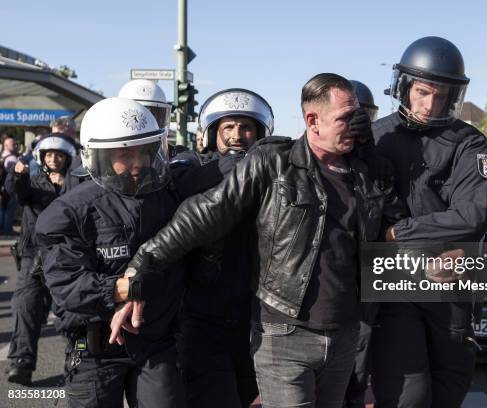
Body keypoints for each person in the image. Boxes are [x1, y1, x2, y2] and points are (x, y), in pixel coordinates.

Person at [111, 73, 404, 408]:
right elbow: (202, 216)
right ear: (313, 121)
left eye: (358, 118)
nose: (354, 127)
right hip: (284, 336)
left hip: (344, 335)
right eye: (344, 118)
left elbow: (394, 233)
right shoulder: (273, 163)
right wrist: (142, 265)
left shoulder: (365, 173)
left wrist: (372, 162)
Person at [35, 97, 223, 407]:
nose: (138, 163)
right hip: (93, 348)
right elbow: (68, 286)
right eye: (125, 154)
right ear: (99, 157)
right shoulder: (70, 212)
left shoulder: (168, 198)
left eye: (144, 152)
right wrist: (126, 288)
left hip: (156, 344)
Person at [371, 36, 487, 408]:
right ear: (404, 87)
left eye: (441, 96)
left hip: (451, 284)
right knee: (409, 392)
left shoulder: (470, 144)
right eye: (423, 93)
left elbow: (470, 217)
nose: (430, 104)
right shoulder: (377, 137)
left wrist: (398, 233)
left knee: (449, 387)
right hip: (395, 282)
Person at [171, 88, 274, 407]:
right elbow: (182, 188)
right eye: (228, 127)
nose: (237, 135)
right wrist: (239, 167)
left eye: (245, 128)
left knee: (245, 394)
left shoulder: (274, 172)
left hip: (254, 314)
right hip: (202, 313)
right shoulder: (190, 171)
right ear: (213, 132)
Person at [5, 133, 78, 385]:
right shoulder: (32, 182)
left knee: (74, 313)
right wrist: (18, 174)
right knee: (25, 307)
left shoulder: (76, 184)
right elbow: (16, 192)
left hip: (67, 258)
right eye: (49, 155)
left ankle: (78, 363)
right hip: (33, 257)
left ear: (67, 158)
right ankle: (21, 363)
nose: (54, 159)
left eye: (59, 155)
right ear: (42, 157)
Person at [343, 79, 379, 408]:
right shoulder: (317, 162)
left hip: (368, 288)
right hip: (327, 295)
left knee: (356, 379)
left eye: (365, 117)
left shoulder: (377, 164)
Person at [1, 134, 20, 234]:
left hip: (4, 187)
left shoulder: (3, 156)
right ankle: (7, 230)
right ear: (6, 146)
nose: (15, 145)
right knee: (9, 209)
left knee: (4, 209)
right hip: (11, 186)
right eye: (13, 144)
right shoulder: (12, 158)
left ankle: (4, 229)